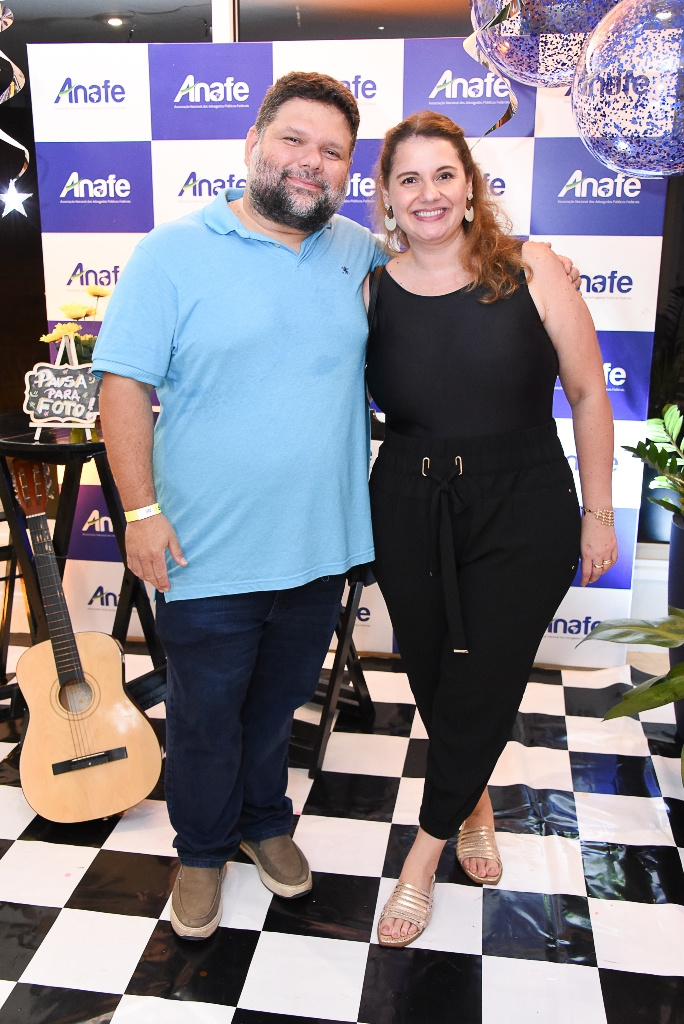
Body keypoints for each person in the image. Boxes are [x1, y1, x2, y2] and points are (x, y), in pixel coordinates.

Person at [92, 73, 580, 942]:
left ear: (352, 173)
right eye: (294, 140)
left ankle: (265, 824)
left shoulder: (359, 254)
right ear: (254, 143)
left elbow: (457, 276)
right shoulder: (171, 252)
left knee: (278, 706)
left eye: (332, 152)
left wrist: (545, 263)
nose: (310, 162)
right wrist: (138, 513)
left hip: (319, 546)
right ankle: (201, 852)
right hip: (203, 545)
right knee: (205, 716)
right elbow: (122, 384)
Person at [365, 111, 617, 948]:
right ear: (388, 196)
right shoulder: (369, 287)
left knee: (484, 677)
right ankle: (471, 802)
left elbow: (588, 393)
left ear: (469, 186)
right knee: (437, 677)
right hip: (408, 503)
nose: (428, 193)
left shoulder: (532, 268)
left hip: (525, 503)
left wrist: (599, 512)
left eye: (444, 174)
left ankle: (421, 855)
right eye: (409, 179)